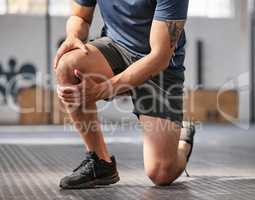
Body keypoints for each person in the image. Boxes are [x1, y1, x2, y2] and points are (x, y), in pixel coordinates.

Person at [54, 0, 195, 189]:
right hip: (117, 48)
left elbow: (160, 57)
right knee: (67, 65)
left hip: (161, 67)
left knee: (161, 172)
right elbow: (80, 16)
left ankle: (184, 141)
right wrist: (72, 35)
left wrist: (102, 89)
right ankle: (100, 161)